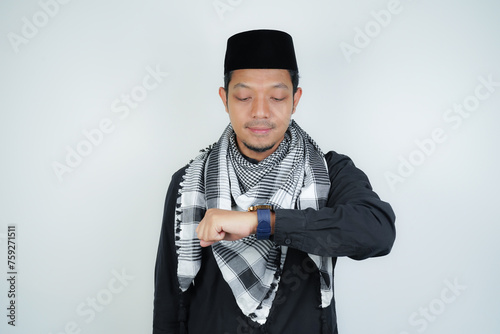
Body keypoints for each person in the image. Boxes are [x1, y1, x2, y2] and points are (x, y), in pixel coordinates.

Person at [153, 29, 396, 334]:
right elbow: (171, 301)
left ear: (295, 99)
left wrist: (259, 222)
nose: (260, 112)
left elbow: (376, 232)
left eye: (277, 97)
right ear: (224, 99)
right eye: (243, 97)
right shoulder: (189, 183)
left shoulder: (330, 173)